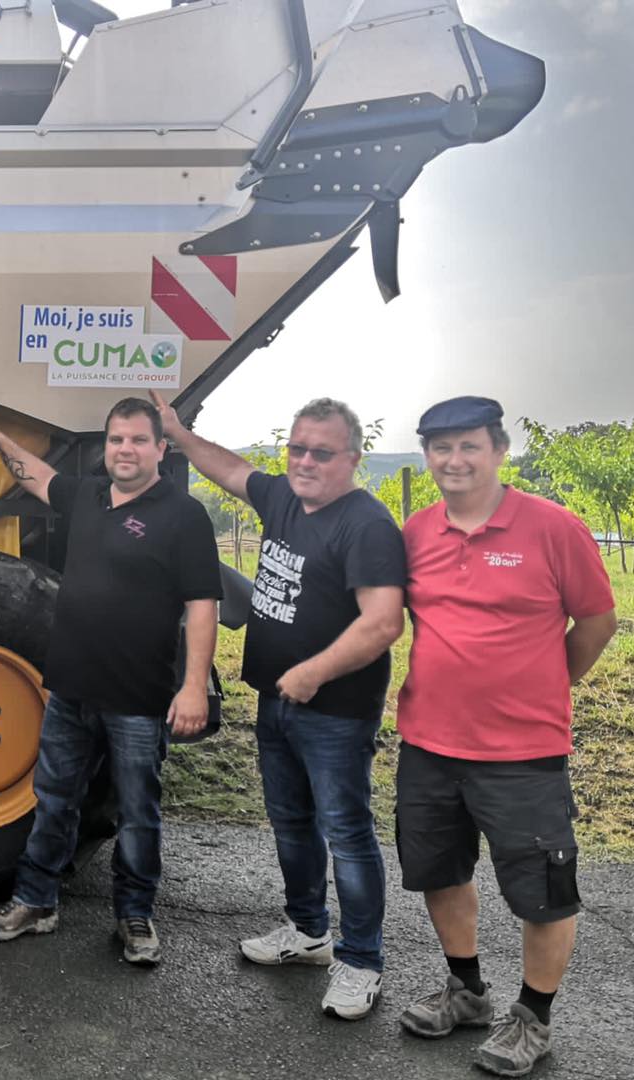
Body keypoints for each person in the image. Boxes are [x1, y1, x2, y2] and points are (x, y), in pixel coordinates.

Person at [151, 392, 406, 1019]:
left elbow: (383, 623)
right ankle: (308, 931)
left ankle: (360, 961)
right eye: (296, 448)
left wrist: (312, 674)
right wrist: (178, 435)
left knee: (346, 835)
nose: (305, 461)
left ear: (353, 458)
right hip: (277, 701)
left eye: (322, 452)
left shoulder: (367, 525)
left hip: (334, 711)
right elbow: (230, 469)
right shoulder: (284, 499)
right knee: (291, 823)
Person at [393, 397, 616, 1077]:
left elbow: (598, 623)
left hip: (523, 753)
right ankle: (466, 993)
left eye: (468, 446)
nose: (453, 461)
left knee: (542, 890)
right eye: (440, 448)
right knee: (440, 871)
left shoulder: (554, 528)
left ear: (498, 451)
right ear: (426, 456)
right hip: (428, 743)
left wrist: (544, 689)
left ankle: (533, 1018)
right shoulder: (416, 532)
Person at [0, 396, 222, 966]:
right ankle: (35, 902)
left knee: (137, 811)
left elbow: (202, 607)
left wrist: (193, 686)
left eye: (136, 440)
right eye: (115, 440)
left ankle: (135, 916)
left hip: (137, 697)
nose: (124, 450)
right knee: (54, 800)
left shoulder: (184, 517)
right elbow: (37, 476)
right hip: (70, 689)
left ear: (160, 448)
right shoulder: (87, 496)